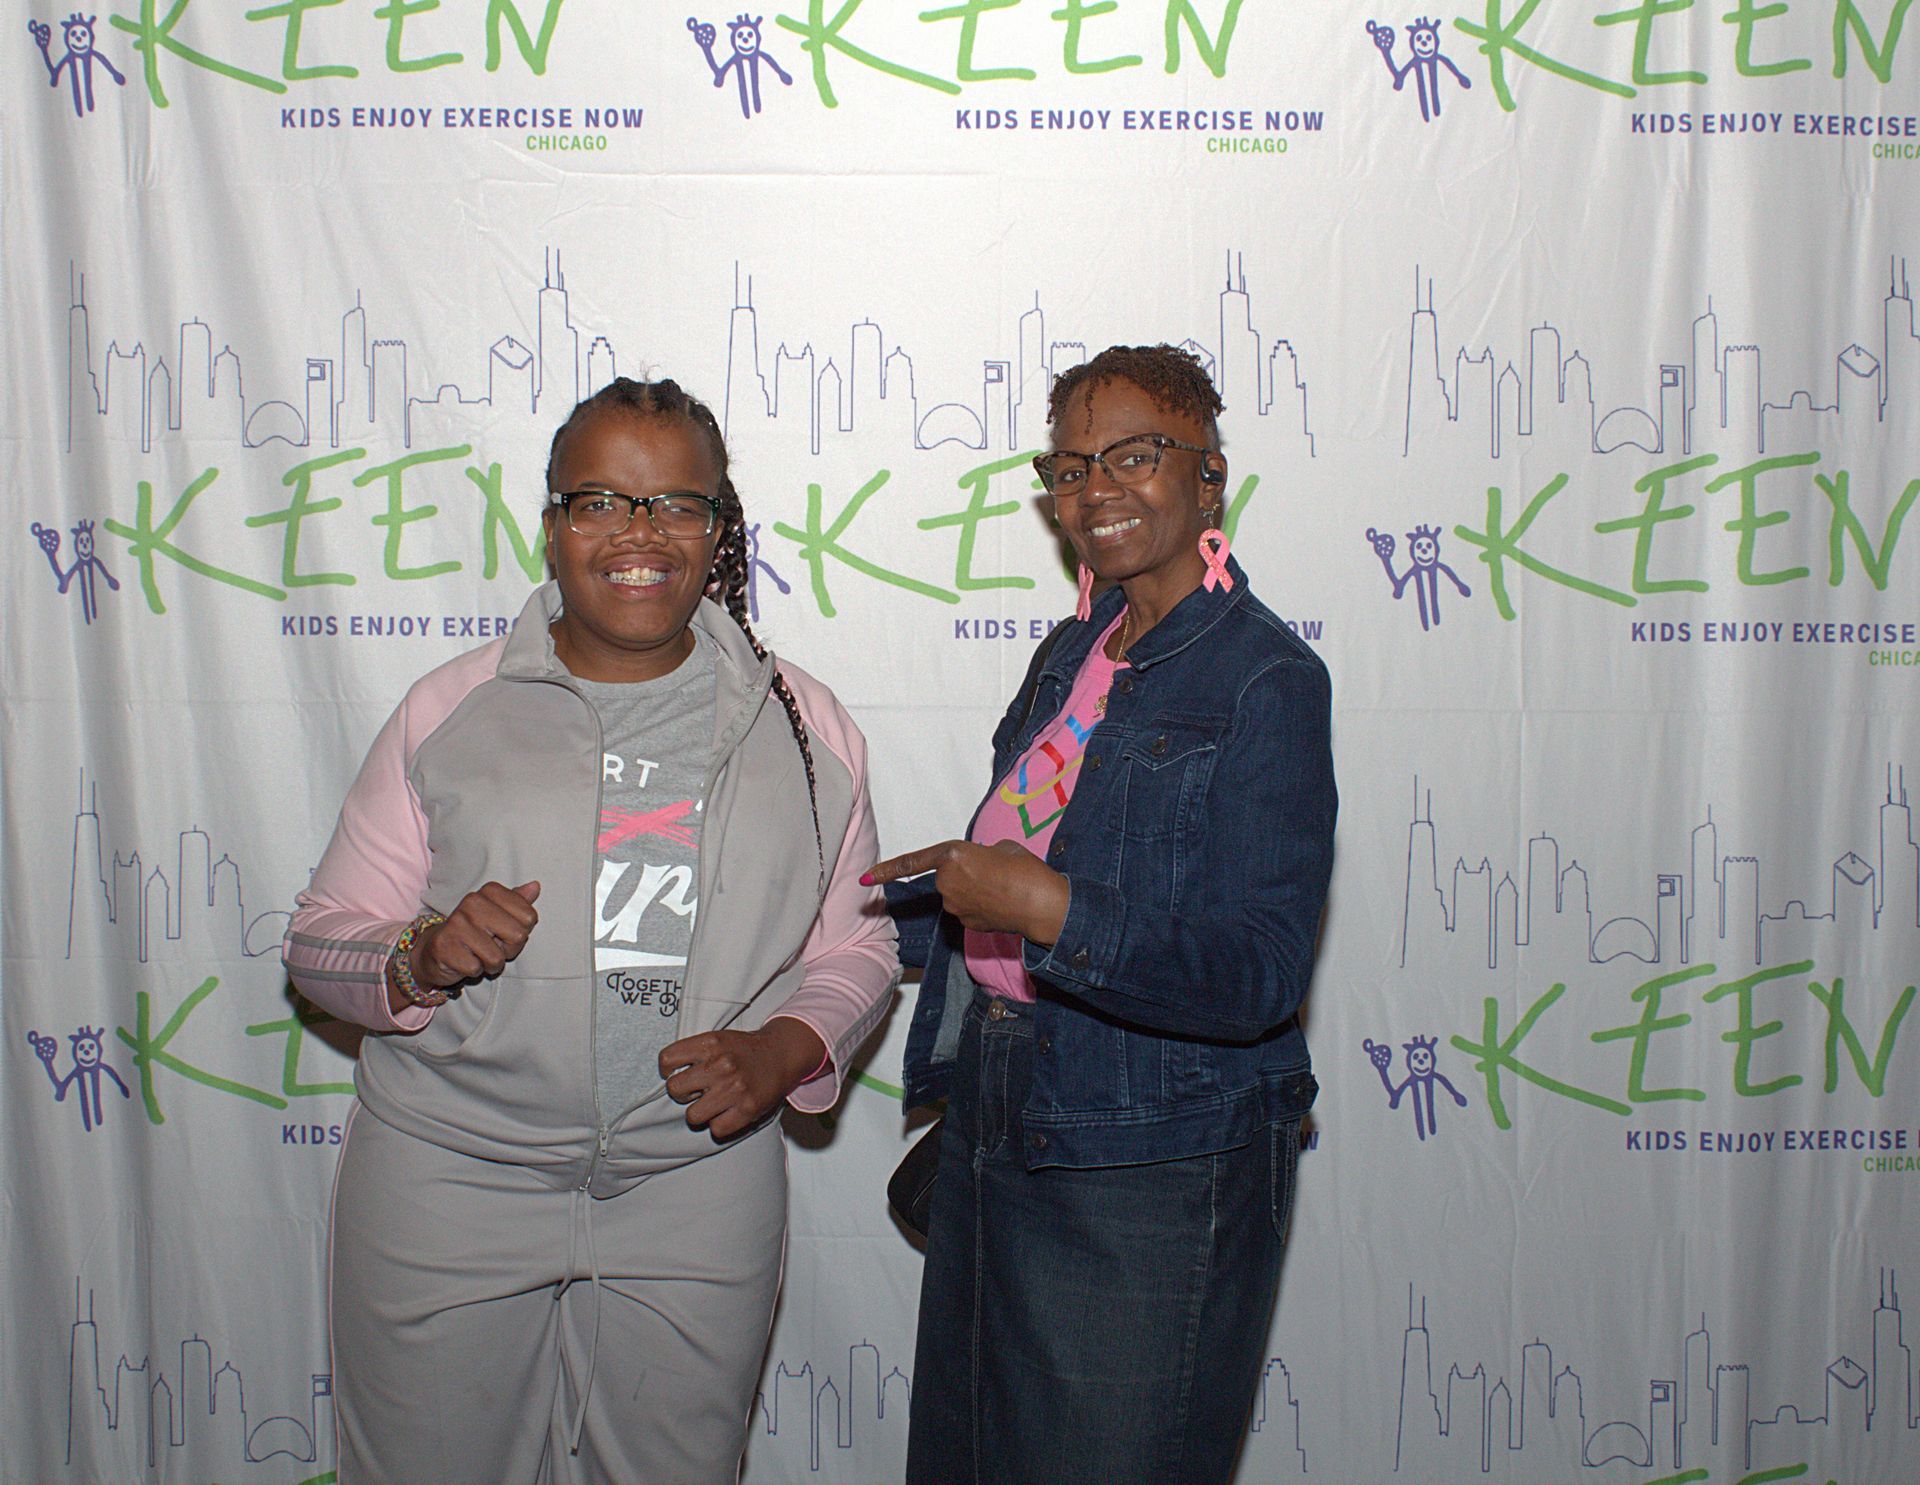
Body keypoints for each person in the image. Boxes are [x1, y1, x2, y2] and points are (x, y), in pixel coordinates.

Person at [283, 376, 897, 1485]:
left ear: (719, 528)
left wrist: (787, 1047)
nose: (638, 534)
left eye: (676, 505)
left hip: (696, 1185)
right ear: (553, 522)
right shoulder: (449, 708)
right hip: (449, 1174)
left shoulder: (807, 728)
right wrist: (418, 955)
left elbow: (859, 948)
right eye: (600, 501)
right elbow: (321, 938)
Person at [869, 345, 1336, 1485]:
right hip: (1002, 1109)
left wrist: (1051, 911)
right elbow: (1008, 879)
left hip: (1151, 1155)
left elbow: (1260, 973)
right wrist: (847, 916)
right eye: (1071, 467)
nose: (1096, 490)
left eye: (1134, 455)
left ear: (1209, 476)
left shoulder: (1266, 679)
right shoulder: (1073, 651)